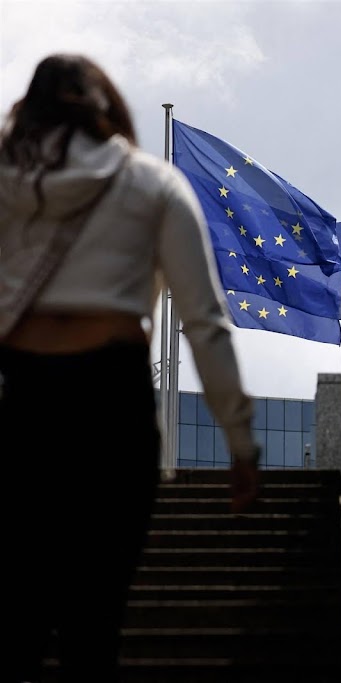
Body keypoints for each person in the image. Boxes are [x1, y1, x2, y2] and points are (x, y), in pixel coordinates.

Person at [0, 54, 260, 681]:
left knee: (16, 619)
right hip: (112, 404)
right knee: (96, 621)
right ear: (107, 108)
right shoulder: (153, 183)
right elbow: (204, 320)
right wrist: (241, 441)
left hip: (24, 400)